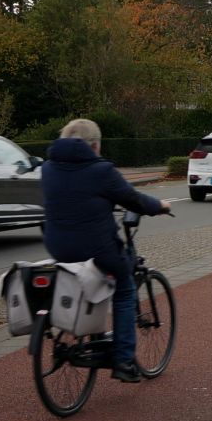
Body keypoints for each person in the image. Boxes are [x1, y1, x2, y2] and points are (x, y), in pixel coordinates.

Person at [41, 119, 170, 382]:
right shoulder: (101, 170)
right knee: (124, 288)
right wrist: (160, 205)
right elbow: (133, 199)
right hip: (97, 249)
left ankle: (84, 331)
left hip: (57, 247)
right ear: (95, 145)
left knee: (85, 277)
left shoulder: (48, 168)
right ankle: (123, 361)